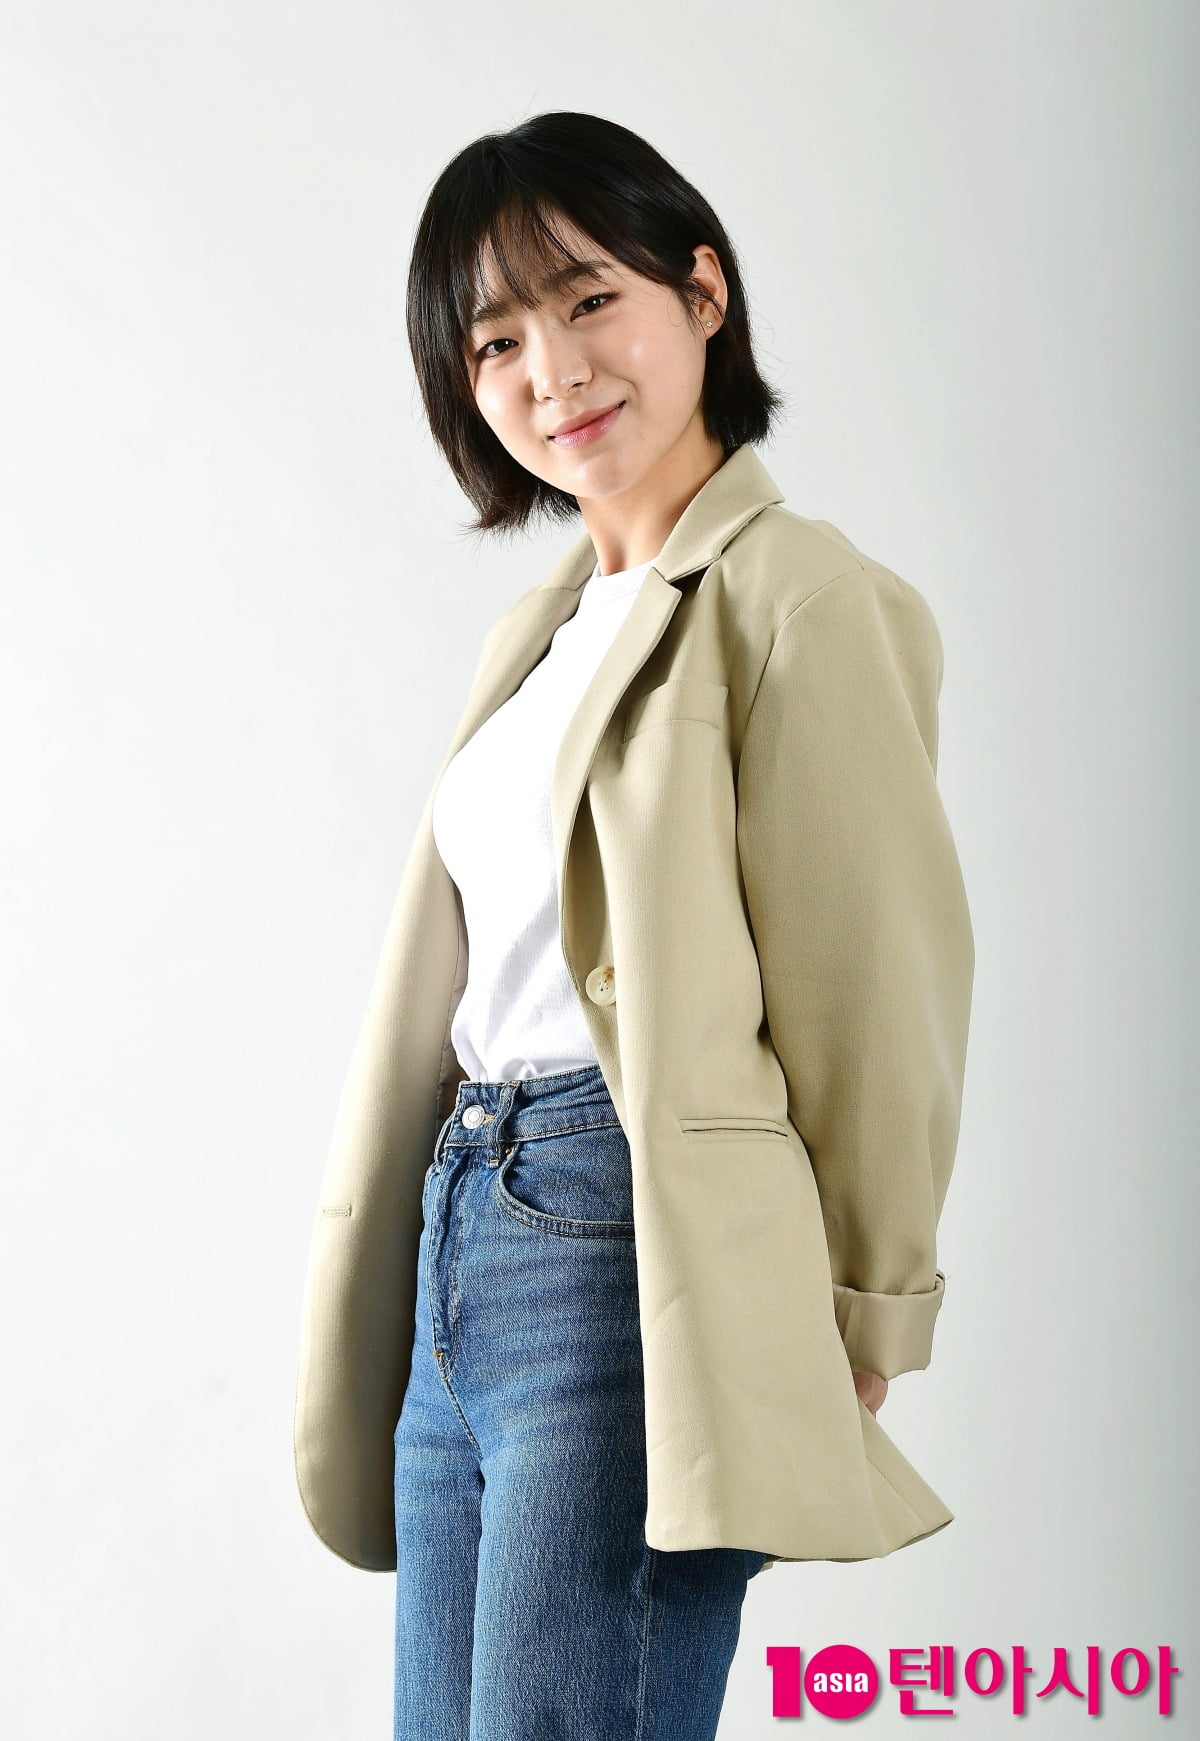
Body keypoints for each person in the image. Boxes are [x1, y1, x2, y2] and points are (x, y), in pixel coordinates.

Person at [293, 110, 975, 1741]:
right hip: (463, 1226)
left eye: (591, 298)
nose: (554, 369)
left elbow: (877, 978)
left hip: (627, 1239)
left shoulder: (798, 594)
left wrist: (865, 1302)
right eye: (497, 340)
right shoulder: (537, 637)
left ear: (703, 293)